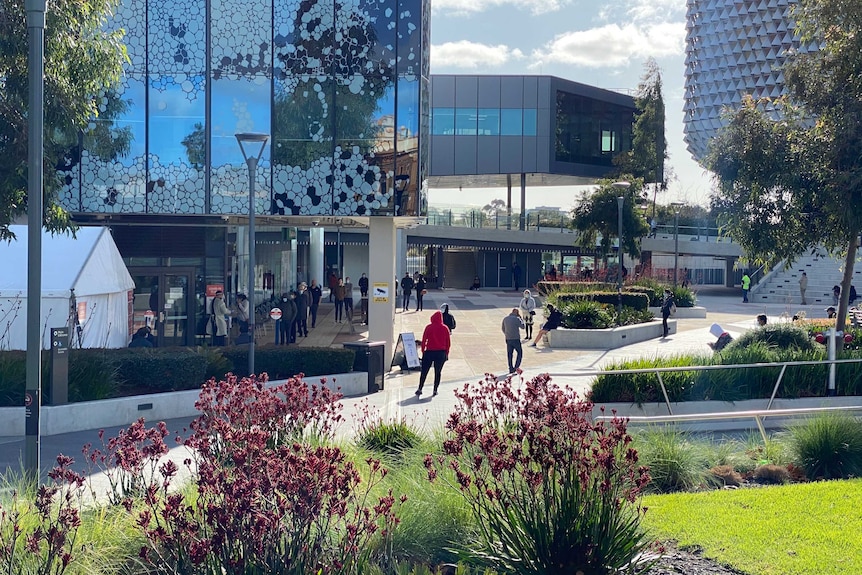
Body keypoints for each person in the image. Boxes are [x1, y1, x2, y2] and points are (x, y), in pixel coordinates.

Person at [414, 311, 451, 397]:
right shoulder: (445, 328)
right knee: (438, 372)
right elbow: (448, 343)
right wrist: (446, 353)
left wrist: (423, 351)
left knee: (424, 372)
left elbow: (424, 340)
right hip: (441, 353)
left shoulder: (429, 327)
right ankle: (435, 390)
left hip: (429, 352)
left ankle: (420, 388)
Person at [502, 308, 525, 373]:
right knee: (519, 353)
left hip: (508, 338)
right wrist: (521, 318)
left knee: (510, 354)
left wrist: (507, 334)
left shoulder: (505, 319)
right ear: (517, 313)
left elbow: (503, 328)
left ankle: (510, 368)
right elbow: (523, 327)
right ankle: (516, 367)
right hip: (516, 339)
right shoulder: (517, 319)